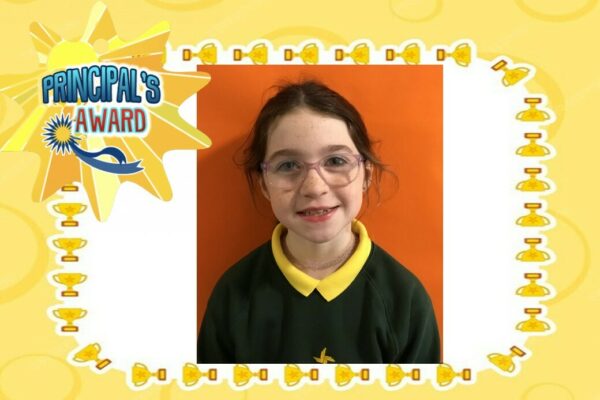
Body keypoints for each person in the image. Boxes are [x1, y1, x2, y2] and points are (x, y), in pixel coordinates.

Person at [197, 80, 440, 363]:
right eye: (289, 165)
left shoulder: (405, 300)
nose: (314, 187)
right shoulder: (233, 296)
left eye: (335, 161)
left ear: (367, 174)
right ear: (264, 184)